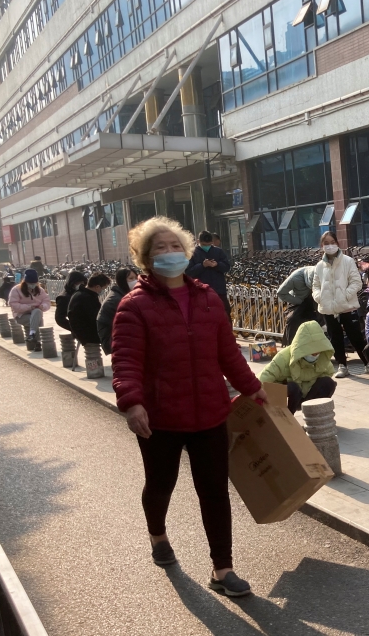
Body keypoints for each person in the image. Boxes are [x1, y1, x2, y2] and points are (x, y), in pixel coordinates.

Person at [111, 216, 267, 598]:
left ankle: (222, 569)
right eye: (159, 248)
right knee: (161, 484)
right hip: (161, 418)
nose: (169, 253)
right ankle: (158, 536)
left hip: (210, 413)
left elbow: (227, 354)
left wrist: (253, 388)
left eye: (174, 246)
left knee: (214, 490)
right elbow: (126, 359)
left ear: (187, 251)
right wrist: (132, 403)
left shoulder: (207, 298)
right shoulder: (134, 305)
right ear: (145, 259)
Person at [312, 232, 369, 378]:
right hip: (328, 308)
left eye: (332, 242)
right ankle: (342, 366)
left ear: (337, 243)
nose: (330, 245)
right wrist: (320, 297)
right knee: (335, 338)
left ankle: (368, 364)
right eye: (326, 243)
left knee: (356, 336)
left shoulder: (347, 261)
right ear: (322, 246)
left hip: (347, 306)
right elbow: (315, 285)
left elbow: (357, 282)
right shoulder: (319, 266)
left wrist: (344, 296)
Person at [259, 320, 337, 412]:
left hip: (306, 396)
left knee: (329, 383)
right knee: (293, 387)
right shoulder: (284, 358)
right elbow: (265, 377)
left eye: (317, 352)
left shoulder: (322, 361)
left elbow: (327, 375)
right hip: (289, 396)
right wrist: (253, 391)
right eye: (312, 353)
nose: (315, 355)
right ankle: (287, 419)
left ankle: (314, 413)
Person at [186, 230, 232, 315]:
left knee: (224, 312)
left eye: (209, 245)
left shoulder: (218, 251)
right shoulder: (192, 253)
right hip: (200, 291)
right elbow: (188, 271)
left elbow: (227, 266)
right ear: (198, 241)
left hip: (218, 289)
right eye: (204, 245)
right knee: (204, 314)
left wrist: (217, 265)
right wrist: (202, 265)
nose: (207, 247)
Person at [97, 267, 138, 355]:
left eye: (136, 278)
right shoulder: (116, 300)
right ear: (122, 280)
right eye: (131, 278)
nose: (135, 281)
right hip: (113, 339)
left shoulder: (123, 294)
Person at [9, 269, 51, 350]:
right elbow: (13, 304)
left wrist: (42, 306)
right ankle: (37, 342)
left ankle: (32, 334)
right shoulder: (16, 290)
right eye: (30, 283)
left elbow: (47, 302)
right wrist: (29, 307)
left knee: (37, 312)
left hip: (35, 313)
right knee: (38, 320)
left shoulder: (40, 290)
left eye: (34, 283)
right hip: (21, 315)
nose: (32, 285)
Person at [277, 265, 319, 345]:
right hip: (298, 302)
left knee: (322, 319)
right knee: (293, 319)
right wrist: (298, 301)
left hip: (315, 300)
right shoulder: (295, 277)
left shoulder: (320, 274)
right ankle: (292, 345)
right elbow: (280, 292)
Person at [68, 272, 112, 347]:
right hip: (88, 335)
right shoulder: (86, 298)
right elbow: (96, 317)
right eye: (104, 288)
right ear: (97, 287)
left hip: (83, 332)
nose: (103, 291)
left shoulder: (81, 293)